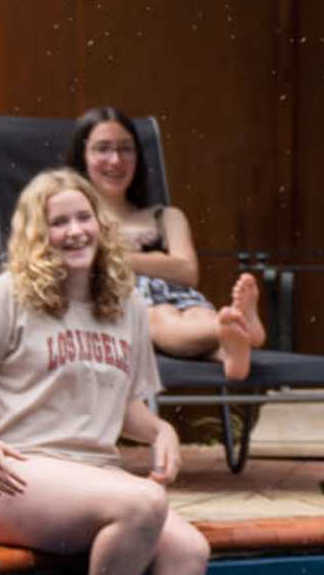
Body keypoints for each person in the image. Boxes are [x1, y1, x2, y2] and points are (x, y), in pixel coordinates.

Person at [0, 167, 211, 575]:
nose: (74, 232)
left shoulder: (126, 304)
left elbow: (123, 407)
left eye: (83, 218)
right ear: (36, 234)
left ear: (101, 224)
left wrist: (160, 429)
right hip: (6, 472)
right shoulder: (8, 295)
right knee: (142, 503)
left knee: (189, 553)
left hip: (88, 477)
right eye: (58, 223)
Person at [69, 107, 264, 381]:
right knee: (161, 318)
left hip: (182, 297)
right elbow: (79, 263)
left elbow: (187, 272)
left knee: (198, 313)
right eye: (102, 149)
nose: (115, 160)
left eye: (126, 149)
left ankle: (230, 346)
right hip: (124, 304)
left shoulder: (166, 216)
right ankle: (234, 327)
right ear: (83, 156)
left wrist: (114, 253)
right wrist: (160, 260)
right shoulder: (74, 218)